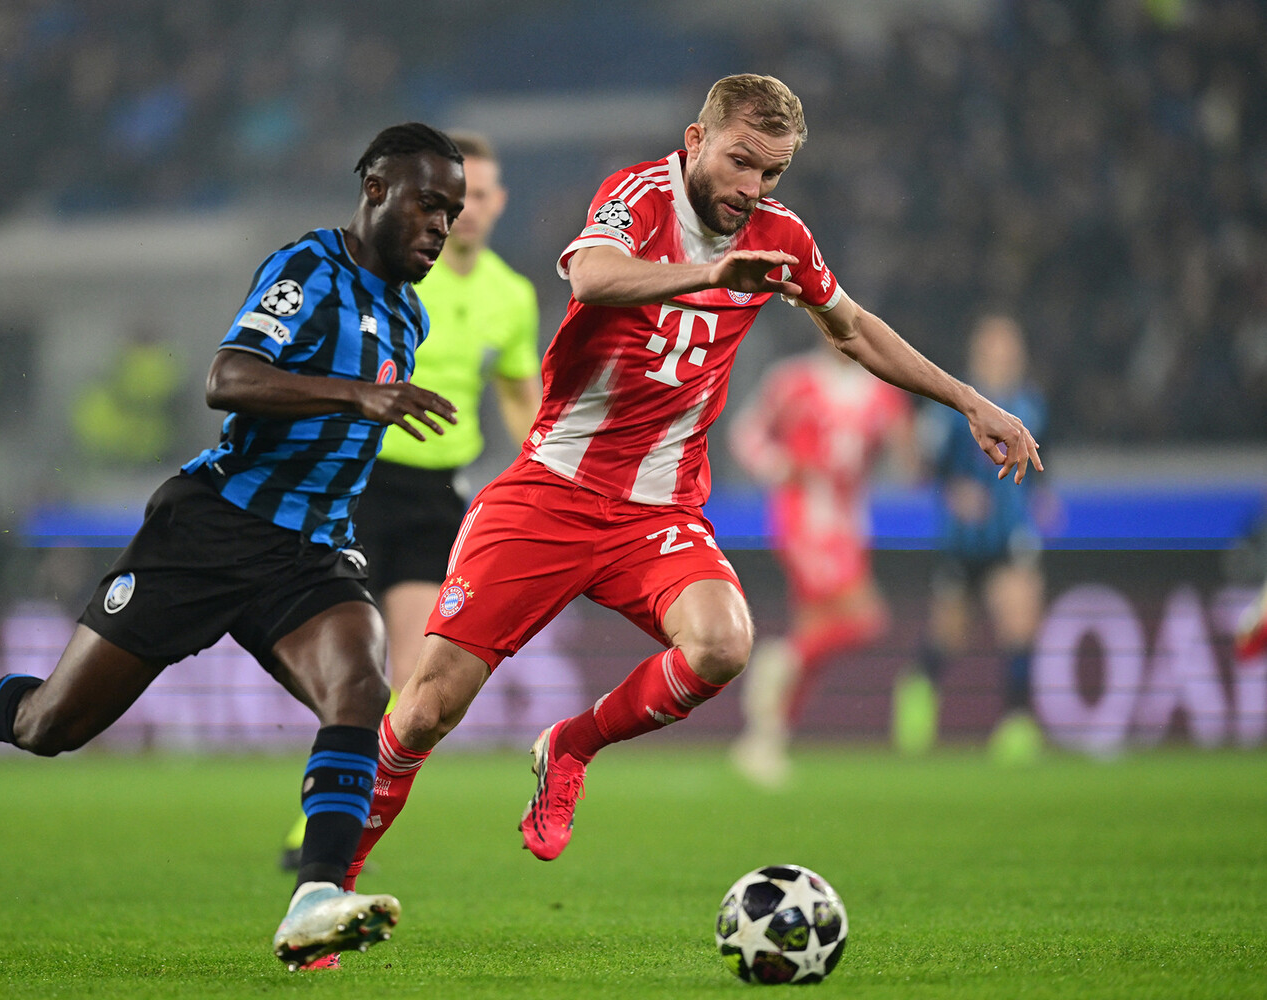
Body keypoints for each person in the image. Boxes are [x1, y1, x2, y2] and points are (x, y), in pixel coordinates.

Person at [341, 74, 1041, 882]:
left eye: (773, 171)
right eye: (741, 161)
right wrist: (712, 276)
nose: (754, 187)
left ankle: (571, 747)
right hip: (553, 490)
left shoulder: (780, 235)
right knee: (427, 707)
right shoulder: (640, 197)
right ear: (696, 140)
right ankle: (333, 878)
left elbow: (852, 330)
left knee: (723, 643)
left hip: (657, 513)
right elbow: (592, 276)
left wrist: (969, 401)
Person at [0, 122, 467, 972]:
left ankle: (314, 897)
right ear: (375, 190)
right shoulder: (309, 269)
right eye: (429, 204)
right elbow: (227, 378)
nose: (441, 226)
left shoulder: (409, 313)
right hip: (210, 533)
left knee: (361, 689)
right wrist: (355, 395)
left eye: (451, 214)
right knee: (51, 725)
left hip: (310, 553)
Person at [279, 130, 541, 870]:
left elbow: (519, 392)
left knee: (408, 669)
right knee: (353, 666)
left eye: (480, 197)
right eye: (456, 198)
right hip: (360, 481)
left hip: (436, 496)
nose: (468, 211)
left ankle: (336, 816)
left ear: (498, 202)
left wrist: (541, 468)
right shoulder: (398, 270)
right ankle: (323, 814)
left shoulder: (512, 297)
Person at [728, 341, 913, 786]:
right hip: (804, 516)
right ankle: (781, 660)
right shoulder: (794, 380)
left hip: (849, 524)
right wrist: (778, 467)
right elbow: (746, 433)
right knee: (864, 619)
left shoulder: (881, 391)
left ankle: (764, 742)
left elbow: (906, 458)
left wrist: (908, 447)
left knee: (817, 632)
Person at [892, 315, 1047, 765]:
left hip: (1010, 535)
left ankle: (1017, 723)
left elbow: (1043, 461)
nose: (1003, 356)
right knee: (949, 636)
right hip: (962, 541)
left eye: (1009, 348)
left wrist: (1044, 496)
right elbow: (925, 466)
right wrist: (953, 490)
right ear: (979, 353)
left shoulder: (1031, 404)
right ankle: (918, 685)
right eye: (995, 348)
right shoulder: (952, 406)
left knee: (1020, 623)